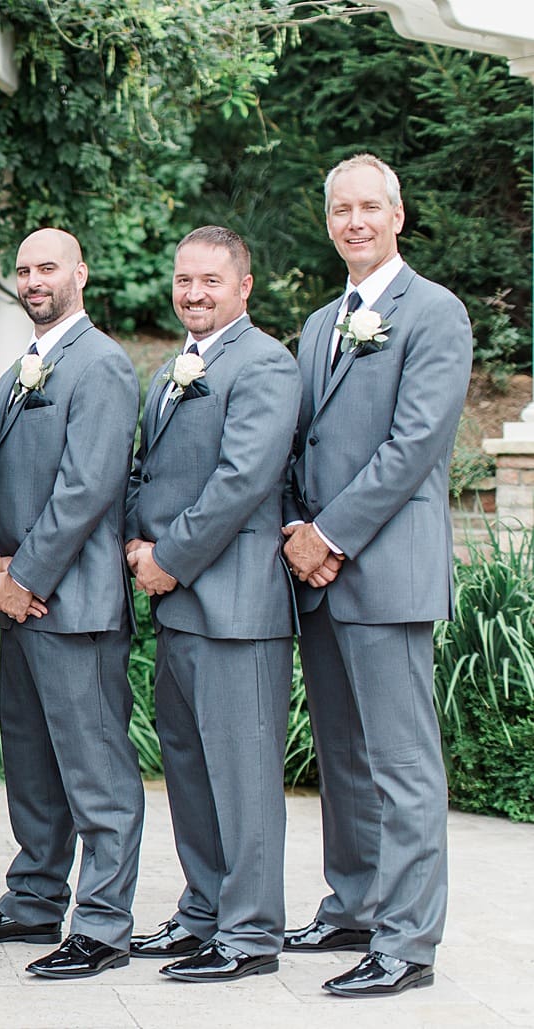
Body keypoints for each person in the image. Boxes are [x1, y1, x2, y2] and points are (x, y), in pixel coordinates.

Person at [282, 153, 470, 998]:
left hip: (384, 571)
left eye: (369, 207)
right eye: (340, 210)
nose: (353, 221)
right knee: (343, 755)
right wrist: (297, 532)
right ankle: (353, 903)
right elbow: (303, 442)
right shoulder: (320, 323)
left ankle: (407, 940)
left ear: (398, 215)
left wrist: (330, 533)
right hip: (318, 575)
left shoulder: (434, 312)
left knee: (401, 764)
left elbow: (413, 445)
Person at [124, 226, 301, 982]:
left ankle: (251, 931)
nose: (192, 293)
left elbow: (241, 480)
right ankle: (202, 911)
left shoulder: (264, 363)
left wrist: (166, 557)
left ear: (244, 287)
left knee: (243, 775)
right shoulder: (171, 368)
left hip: (236, 608)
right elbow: (145, 471)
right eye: (183, 279)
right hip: (179, 609)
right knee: (190, 769)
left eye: (209, 281)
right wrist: (136, 542)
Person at [0, 228, 143, 981]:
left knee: (95, 770)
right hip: (20, 602)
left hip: (73, 606)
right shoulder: (18, 369)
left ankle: (103, 924)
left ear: (80, 270)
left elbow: (87, 485)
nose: (33, 279)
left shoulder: (101, 363)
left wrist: (28, 574)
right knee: (33, 766)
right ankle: (36, 895)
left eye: (47, 266)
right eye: (23, 270)